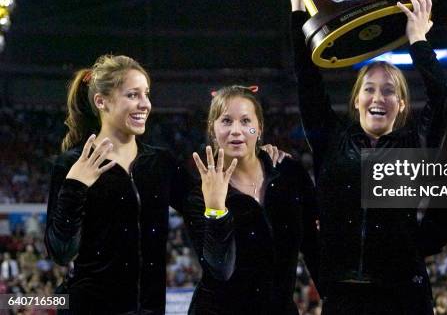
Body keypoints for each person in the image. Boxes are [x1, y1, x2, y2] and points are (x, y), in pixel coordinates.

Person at [283, 0, 447, 314]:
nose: (378, 98)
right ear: (356, 99)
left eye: (389, 91)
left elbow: (442, 101)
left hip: (403, 296)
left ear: (402, 104)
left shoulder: (416, 146)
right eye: (370, 90)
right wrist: (297, 8)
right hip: (342, 296)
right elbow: (307, 82)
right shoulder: (331, 140)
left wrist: (417, 39)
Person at [45, 54, 196, 314]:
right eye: (133, 95)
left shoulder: (161, 163)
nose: (145, 104)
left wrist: (256, 159)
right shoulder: (72, 164)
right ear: (101, 101)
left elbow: (209, 215)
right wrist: (76, 187)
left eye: (146, 94)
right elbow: (61, 252)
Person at [187, 85, 319, 315]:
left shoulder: (290, 174)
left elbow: (314, 247)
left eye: (246, 121)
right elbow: (219, 270)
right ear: (212, 129)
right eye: (226, 121)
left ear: (259, 128)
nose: (236, 130)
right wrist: (216, 209)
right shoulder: (199, 193)